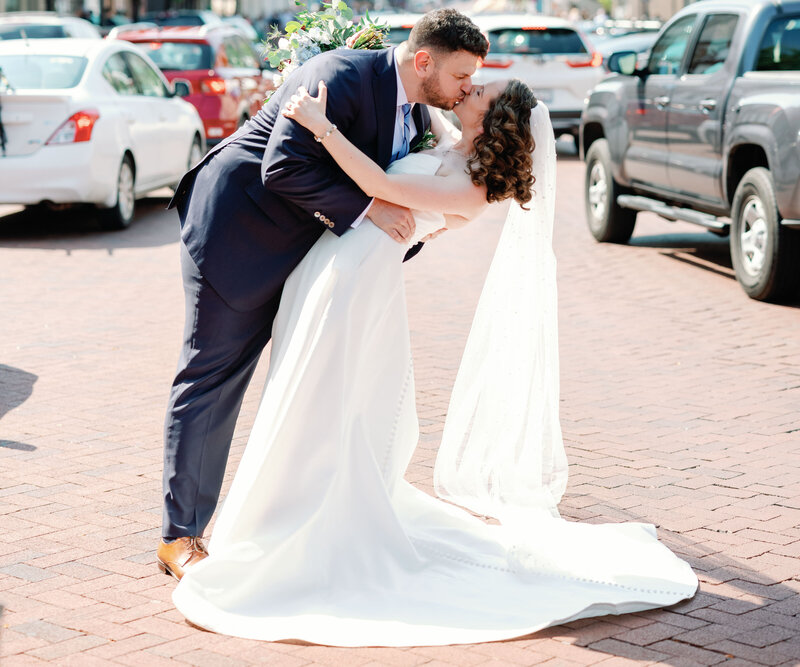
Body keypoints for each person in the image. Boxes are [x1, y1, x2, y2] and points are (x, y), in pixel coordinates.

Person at [171, 78, 697, 646]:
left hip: (356, 281)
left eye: (479, 92)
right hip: (336, 266)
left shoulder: (473, 189)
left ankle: (299, 518)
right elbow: (416, 97)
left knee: (319, 399)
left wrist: (319, 124)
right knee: (306, 391)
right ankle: (283, 511)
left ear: (494, 120)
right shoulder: (452, 143)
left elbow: (374, 183)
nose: (466, 91)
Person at [157, 9, 489, 579]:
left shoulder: (417, 116)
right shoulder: (339, 75)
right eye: (461, 76)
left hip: (301, 256)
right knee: (211, 380)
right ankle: (179, 537)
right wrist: (371, 208)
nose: (466, 89)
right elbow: (281, 168)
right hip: (235, 238)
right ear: (425, 61)